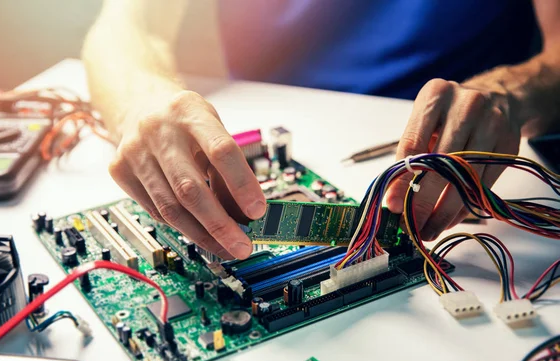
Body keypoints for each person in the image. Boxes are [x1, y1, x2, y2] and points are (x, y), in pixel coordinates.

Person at [82, 0, 560, 260]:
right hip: (274, 138)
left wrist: (509, 94)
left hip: (443, 173)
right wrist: (142, 102)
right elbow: (127, 24)